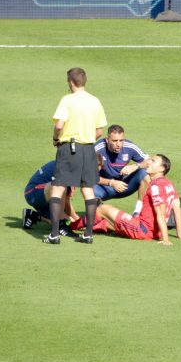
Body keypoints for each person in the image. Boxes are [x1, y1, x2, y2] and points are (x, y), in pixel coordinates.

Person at [44, 67, 107, 245]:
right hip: (88, 149)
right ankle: (88, 235)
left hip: (69, 148)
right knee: (88, 190)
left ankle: (54, 235)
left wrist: (56, 139)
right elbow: (100, 131)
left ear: (70, 82)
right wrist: (86, 139)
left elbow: (59, 125)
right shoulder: (95, 101)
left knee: (58, 189)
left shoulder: (67, 100)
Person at [71, 155, 181, 246]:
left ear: (161, 168)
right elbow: (177, 209)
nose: (149, 162)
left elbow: (160, 213)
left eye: (153, 161)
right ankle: (91, 226)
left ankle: (73, 226)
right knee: (108, 223)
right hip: (154, 231)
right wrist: (180, 235)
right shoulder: (169, 184)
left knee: (103, 209)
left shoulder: (155, 186)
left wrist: (166, 240)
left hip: (142, 229)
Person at [94, 124, 151, 215]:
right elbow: (89, 176)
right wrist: (112, 183)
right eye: (114, 141)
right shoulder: (97, 149)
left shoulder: (129, 147)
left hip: (125, 186)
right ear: (107, 140)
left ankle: (138, 212)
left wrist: (135, 166)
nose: (118, 144)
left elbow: (150, 162)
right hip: (104, 187)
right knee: (89, 189)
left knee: (144, 173)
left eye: (121, 140)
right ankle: (96, 217)